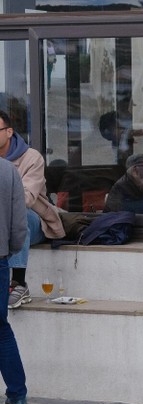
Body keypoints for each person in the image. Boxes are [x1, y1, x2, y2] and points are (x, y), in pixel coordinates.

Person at [1, 109, 65, 309]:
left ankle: (19, 283)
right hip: (2, 224)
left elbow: (26, 199)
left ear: (9, 132)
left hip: (36, 221)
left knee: (22, 216)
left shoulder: (32, 158)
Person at [1, 158, 28, 404]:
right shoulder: (8, 170)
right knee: (1, 328)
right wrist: (9, 250)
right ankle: (18, 396)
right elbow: (19, 223)